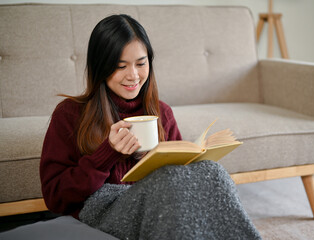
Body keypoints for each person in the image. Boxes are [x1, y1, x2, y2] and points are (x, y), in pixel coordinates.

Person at [40, 14, 261, 239]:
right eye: (120, 66)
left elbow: (180, 178)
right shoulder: (70, 114)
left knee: (213, 171)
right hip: (103, 208)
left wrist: (155, 158)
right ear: (100, 67)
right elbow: (54, 197)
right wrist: (107, 154)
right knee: (170, 185)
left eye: (141, 63)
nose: (133, 75)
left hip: (159, 202)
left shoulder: (161, 112)